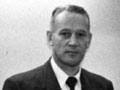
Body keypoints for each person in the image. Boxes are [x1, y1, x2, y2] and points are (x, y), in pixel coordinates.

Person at [3, 5, 114, 90]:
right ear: (50, 38)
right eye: (65, 34)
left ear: (89, 40)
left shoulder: (103, 86)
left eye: (80, 34)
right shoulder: (19, 86)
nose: (73, 42)